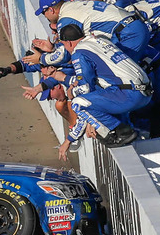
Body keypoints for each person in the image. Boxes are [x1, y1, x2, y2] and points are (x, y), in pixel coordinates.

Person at [55, 24, 152, 161]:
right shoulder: (99, 40)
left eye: (64, 45)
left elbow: (85, 89)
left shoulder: (79, 53)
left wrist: (71, 93)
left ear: (69, 42)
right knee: (98, 95)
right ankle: (136, 125)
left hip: (130, 95)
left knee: (78, 102)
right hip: (145, 92)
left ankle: (121, 132)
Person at [36, 0, 148, 63]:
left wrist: (42, 59)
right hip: (133, 26)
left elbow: (65, 53)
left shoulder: (65, 19)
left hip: (128, 33)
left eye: (43, 13)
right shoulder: (74, 3)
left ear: (51, 10)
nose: (45, 17)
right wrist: (54, 48)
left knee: (121, 75)